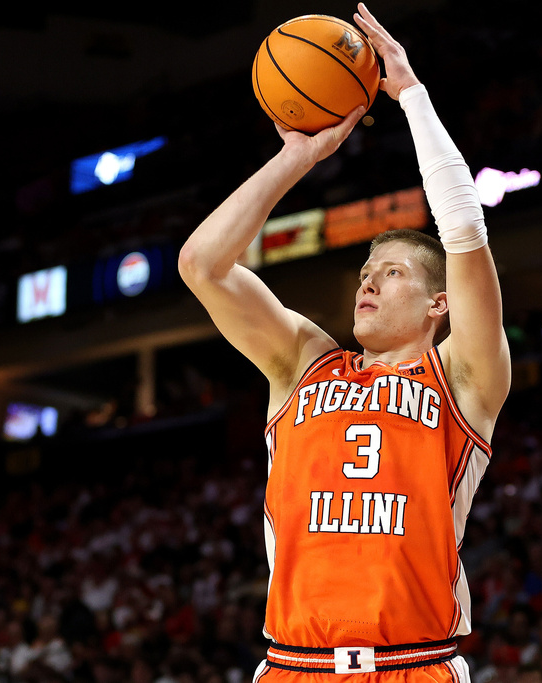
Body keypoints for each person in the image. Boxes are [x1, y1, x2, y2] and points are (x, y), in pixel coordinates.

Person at [178, 3, 511, 680]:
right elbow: (201, 265)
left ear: (438, 303)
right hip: (291, 666)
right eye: (364, 273)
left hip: (414, 664)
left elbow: (466, 237)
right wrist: (296, 156)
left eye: (391, 273)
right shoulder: (303, 360)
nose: (369, 284)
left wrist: (412, 96)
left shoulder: (463, 379)